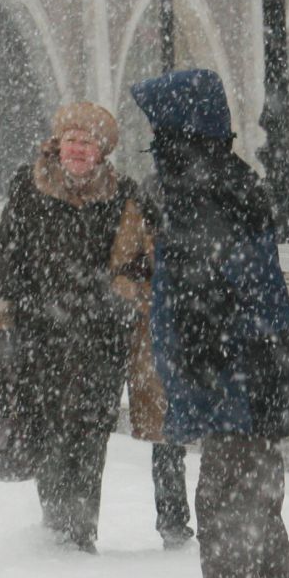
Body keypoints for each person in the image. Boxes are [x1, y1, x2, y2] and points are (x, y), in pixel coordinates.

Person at [131, 68, 289, 578]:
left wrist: (208, 366)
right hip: (241, 382)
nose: (153, 140)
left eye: (161, 129)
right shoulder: (216, 189)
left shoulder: (205, 196)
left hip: (234, 387)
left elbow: (219, 299)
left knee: (226, 520)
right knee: (256, 517)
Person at [0, 103, 150, 552]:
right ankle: (56, 521)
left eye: (88, 143)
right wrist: (4, 312)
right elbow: (7, 252)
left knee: (90, 432)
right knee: (45, 426)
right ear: (58, 144)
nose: (78, 149)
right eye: (72, 140)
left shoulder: (123, 193)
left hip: (98, 332)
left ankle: (82, 529)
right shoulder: (29, 186)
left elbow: (133, 260)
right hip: (40, 330)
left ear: (101, 152)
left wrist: (118, 294)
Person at [129, 174, 195, 547]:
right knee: (168, 432)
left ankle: (181, 517)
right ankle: (174, 518)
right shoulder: (150, 195)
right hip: (165, 330)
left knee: (175, 433)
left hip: (190, 328)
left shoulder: (220, 191)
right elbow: (124, 267)